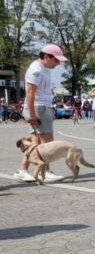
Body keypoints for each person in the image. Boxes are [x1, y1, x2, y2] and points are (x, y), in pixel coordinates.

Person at [14, 44, 69, 182]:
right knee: (47, 144)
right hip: (38, 107)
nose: (58, 63)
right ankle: (44, 171)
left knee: (36, 143)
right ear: (46, 56)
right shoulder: (36, 70)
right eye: (56, 60)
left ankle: (23, 170)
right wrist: (32, 114)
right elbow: (30, 92)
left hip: (39, 107)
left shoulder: (43, 69)